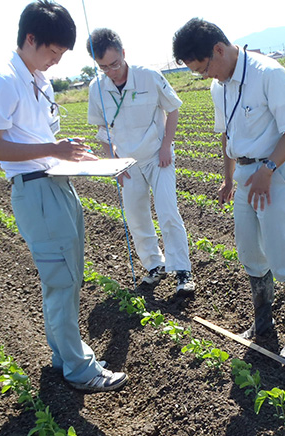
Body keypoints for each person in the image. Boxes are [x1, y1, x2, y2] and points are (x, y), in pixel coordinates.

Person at [0, 0, 127, 392]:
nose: (56, 62)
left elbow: (38, 140)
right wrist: (54, 150)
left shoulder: (37, 80)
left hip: (56, 184)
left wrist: (73, 154)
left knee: (68, 278)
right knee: (61, 281)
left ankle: (65, 356)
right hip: (36, 192)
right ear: (31, 39)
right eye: (54, 52)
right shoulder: (2, 80)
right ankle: (79, 369)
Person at [172, 18, 285, 360]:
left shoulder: (268, 73)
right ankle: (263, 323)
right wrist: (227, 177)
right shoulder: (218, 87)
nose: (205, 76)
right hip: (246, 176)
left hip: (273, 174)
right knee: (250, 254)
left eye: (203, 68)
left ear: (218, 50)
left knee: (283, 257)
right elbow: (227, 135)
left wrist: (268, 169)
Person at [87, 28, 195, 295]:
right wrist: (112, 162)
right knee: (136, 217)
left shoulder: (149, 76)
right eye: (103, 67)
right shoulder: (96, 88)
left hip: (158, 157)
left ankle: (183, 271)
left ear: (123, 54)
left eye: (114, 64)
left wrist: (166, 146)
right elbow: (102, 129)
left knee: (168, 212)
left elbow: (172, 109)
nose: (111, 71)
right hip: (126, 163)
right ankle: (154, 266)